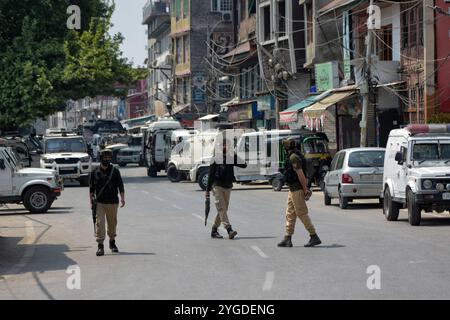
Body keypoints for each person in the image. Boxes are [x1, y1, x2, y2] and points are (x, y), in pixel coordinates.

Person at [278, 138, 321, 248]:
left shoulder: (294, 157)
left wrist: (305, 189)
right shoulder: (293, 156)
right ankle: (288, 238)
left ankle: (314, 235)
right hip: (292, 189)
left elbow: (300, 174)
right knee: (290, 213)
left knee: (301, 213)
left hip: (297, 189)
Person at [205, 138, 246, 239]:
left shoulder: (231, 157)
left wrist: (235, 154)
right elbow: (210, 175)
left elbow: (244, 165)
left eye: (226, 145)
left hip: (228, 186)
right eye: (222, 145)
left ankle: (214, 229)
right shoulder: (215, 158)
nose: (224, 147)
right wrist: (207, 190)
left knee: (223, 209)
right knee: (222, 208)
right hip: (217, 186)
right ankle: (229, 229)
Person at [90, 149, 126, 256]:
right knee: (99, 224)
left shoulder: (115, 171)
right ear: (101, 158)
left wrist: (123, 198)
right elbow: (91, 189)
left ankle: (112, 242)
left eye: (109, 158)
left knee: (112, 224)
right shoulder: (94, 172)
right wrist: (91, 201)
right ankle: (100, 246)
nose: (107, 159)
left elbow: (120, 186)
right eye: (105, 158)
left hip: (113, 202)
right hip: (100, 203)